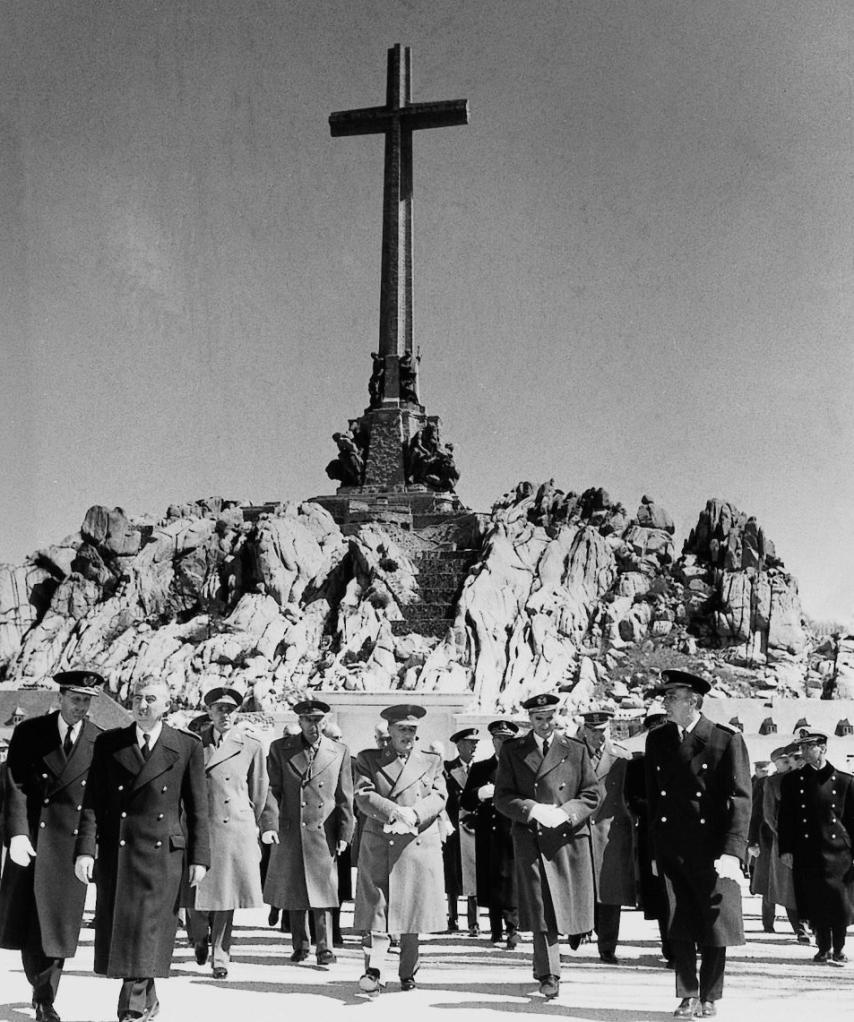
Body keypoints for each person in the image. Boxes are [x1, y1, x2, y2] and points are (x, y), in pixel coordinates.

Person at [74, 677, 210, 1022]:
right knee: (127, 926)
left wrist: (200, 857)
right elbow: (93, 802)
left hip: (164, 854)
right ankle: (147, 997)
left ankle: (131, 1006)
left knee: (148, 926)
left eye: (151, 699)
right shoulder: (110, 744)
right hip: (119, 850)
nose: (143, 705)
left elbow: (197, 807)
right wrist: (85, 850)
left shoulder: (186, 745)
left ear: (167, 705)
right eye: (137, 698)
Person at [644, 670, 751, 1019]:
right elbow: (652, 799)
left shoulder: (723, 740)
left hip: (713, 850)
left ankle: (710, 994)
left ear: (693, 701)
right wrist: (654, 850)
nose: (664, 701)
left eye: (671, 696)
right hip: (672, 845)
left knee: (713, 923)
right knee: (679, 921)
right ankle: (687, 993)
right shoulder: (657, 739)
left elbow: (740, 799)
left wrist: (733, 851)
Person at [0, 668, 105, 1022]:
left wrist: (89, 848)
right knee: (29, 925)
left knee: (58, 927)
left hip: (70, 845)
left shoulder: (98, 740)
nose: (81, 707)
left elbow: (95, 803)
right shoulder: (30, 733)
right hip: (31, 840)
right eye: (75, 699)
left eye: (87, 701)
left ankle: (46, 998)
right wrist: (15, 833)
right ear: (59, 698)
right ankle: (38, 985)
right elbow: (13, 784)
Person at [494, 692, 600, 1001]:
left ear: (559, 715)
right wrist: (531, 809)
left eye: (550, 717)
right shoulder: (514, 751)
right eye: (538, 719)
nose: (544, 724)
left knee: (567, 905)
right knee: (542, 907)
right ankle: (549, 972)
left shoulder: (576, 750)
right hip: (532, 836)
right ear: (529, 720)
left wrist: (567, 812)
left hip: (568, 836)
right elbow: (502, 797)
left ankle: (573, 935)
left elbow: (591, 794)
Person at [352, 704, 447, 994]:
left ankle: (408, 971)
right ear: (389, 731)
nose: (407, 735)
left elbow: (440, 795)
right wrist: (393, 811)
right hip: (381, 841)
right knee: (377, 910)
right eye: (402, 729)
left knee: (411, 913)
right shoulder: (369, 760)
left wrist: (415, 815)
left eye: (412, 730)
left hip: (415, 843)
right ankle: (374, 970)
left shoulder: (430, 761)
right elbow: (363, 795)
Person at [184, 687, 274, 979]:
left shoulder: (250, 745)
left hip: (232, 827)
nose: (225, 715)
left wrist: (247, 820)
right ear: (208, 712)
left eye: (231, 710)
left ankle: (220, 954)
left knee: (225, 895)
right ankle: (198, 936)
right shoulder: (192, 743)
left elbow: (259, 791)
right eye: (219, 709)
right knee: (194, 890)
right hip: (200, 824)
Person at [262, 699, 354, 967]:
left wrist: (345, 833)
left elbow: (344, 796)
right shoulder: (281, 749)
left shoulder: (339, 751)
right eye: (308, 720)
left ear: (325, 722)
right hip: (291, 827)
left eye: (318, 720)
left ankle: (324, 947)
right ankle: (300, 944)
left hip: (322, 830)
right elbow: (271, 790)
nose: (314, 726)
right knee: (295, 887)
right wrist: (269, 825)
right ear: (299, 722)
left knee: (324, 889)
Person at [778, 729, 854, 965]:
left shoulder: (844, 781)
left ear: (823, 748)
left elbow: (852, 820)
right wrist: (786, 849)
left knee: (839, 902)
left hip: (839, 851)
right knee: (815, 899)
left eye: (810, 747)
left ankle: (839, 947)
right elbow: (786, 818)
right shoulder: (792, 781)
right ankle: (823, 947)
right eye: (802, 747)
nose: (804, 752)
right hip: (807, 849)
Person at [577, 707, 635, 964]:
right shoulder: (572, 754)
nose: (598, 737)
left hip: (611, 832)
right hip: (579, 830)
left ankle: (608, 946)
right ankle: (579, 928)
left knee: (610, 891)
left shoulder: (622, 757)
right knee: (581, 885)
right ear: (584, 730)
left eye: (602, 731)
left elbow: (630, 797)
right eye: (593, 731)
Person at [459, 719, 520, 948]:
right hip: (489, 831)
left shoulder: (520, 766)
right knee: (492, 878)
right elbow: (465, 800)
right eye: (498, 739)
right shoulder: (481, 768)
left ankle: (513, 927)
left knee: (512, 879)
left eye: (506, 740)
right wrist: (479, 793)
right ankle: (495, 928)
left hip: (512, 828)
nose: (502, 744)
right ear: (492, 741)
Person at [624, 703, 673, 965]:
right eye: (654, 727)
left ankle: (687, 942)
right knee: (660, 894)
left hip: (681, 834)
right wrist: (660, 808)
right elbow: (633, 800)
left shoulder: (683, 759)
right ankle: (669, 945)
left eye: (663, 725)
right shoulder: (637, 765)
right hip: (651, 834)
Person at [747, 745, 807, 942]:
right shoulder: (770, 783)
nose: (791, 763)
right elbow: (760, 814)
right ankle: (791, 927)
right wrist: (753, 840)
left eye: (793, 758)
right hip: (775, 841)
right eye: (785, 760)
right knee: (778, 885)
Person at [443, 727, 480, 935]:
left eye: (476, 743)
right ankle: (453, 916)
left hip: (474, 827)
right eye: (469, 742)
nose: (474, 746)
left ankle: (473, 922)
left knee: (473, 874)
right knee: (452, 873)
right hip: (454, 828)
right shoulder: (448, 769)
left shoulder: (480, 768)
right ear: (459, 745)